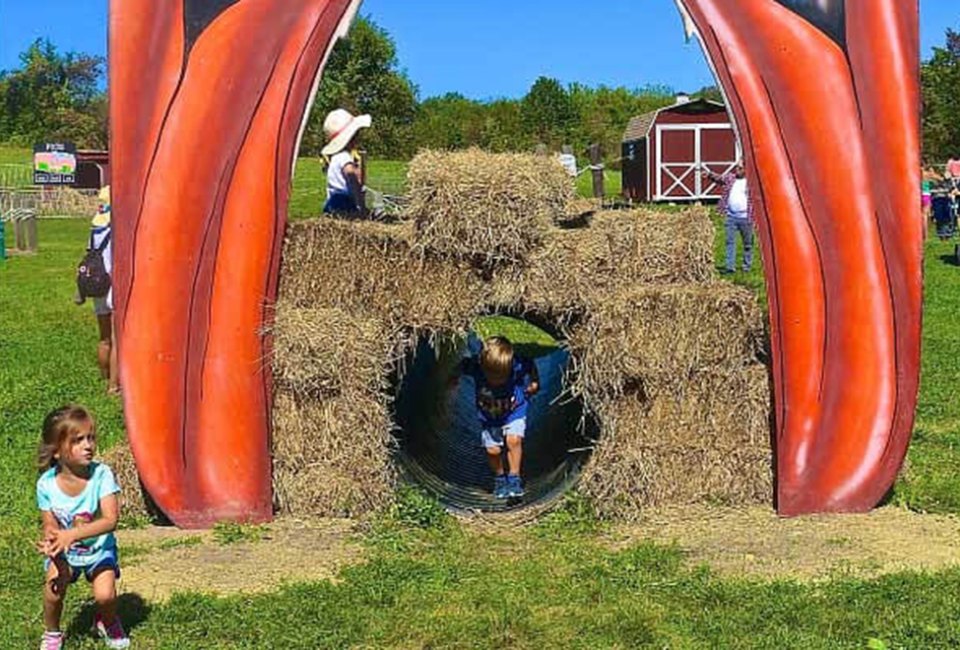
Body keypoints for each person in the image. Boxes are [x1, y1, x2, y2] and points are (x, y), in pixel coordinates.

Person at [36, 405, 129, 649]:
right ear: (56, 450)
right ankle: (52, 633)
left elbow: (110, 520)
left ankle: (107, 622)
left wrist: (73, 534)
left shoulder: (102, 475)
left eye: (91, 437)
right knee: (53, 591)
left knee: (105, 596)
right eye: (78, 440)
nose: (88, 445)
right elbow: (49, 521)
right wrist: (51, 539)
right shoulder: (46, 485)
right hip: (65, 553)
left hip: (98, 550)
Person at [449, 336, 539, 499]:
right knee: (493, 451)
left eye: (503, 376)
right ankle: (499, 478)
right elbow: (461, 365)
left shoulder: (516, 364)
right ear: (483, 367)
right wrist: (453, 379)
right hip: (489, 418)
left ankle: (514, 478)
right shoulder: (477, 366)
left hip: (514, 412)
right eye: (493, 376)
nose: (498, 380)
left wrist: (534, 383)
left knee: (513, 440)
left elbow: (530, 365)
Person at [91, 187, 118, 394]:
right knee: (118, 340)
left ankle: (103, 375)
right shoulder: (115, 228)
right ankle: (113, 386)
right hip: (112, 284)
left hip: (96, 283)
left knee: (104, 337)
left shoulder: (95, 227)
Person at [703, 163, 753, 274]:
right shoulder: (731, 178)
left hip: (746, 217)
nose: (737, 170)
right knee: (730, 241)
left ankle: (747, 266)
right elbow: (719, 178)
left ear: (746, 169)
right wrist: (709, 175)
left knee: (748, 244)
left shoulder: (751, 182)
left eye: (740, 168)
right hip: (731, 216)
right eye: (737, 167)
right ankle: (730, 266)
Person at [321, 108, 371, 216]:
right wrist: (360, 205)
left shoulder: (335, 158)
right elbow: (350, 174)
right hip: (344, 202)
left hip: (332, 202)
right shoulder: (344, 157)